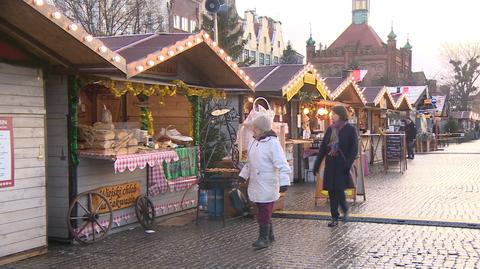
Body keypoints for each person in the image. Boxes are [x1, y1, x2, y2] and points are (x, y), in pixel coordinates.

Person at [239, 114, 291, 250]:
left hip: (268, 183)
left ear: (262, 129)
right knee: (261, 210)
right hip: (256, 183)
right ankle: (270, 234)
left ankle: (264, 238)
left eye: (255, 128)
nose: (253, 130)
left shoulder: (273, 144)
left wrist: (284, 182)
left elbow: (282, 164)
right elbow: (250, 163)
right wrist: (242, 176)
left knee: (265, 210)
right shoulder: (253, 142)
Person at [313, 106, 358, 227]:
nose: (332, 116)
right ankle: (334, 217)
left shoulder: (350, 129)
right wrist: (317, 164)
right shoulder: (331, 129)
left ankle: (344, 209)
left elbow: (354, 149)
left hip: (342, 165)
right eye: (332, 114)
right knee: (331, 191)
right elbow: (323, 148)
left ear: (341, 115)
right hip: (330, 163)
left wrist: (348, 164)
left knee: (339, 189)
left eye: (334, 114)